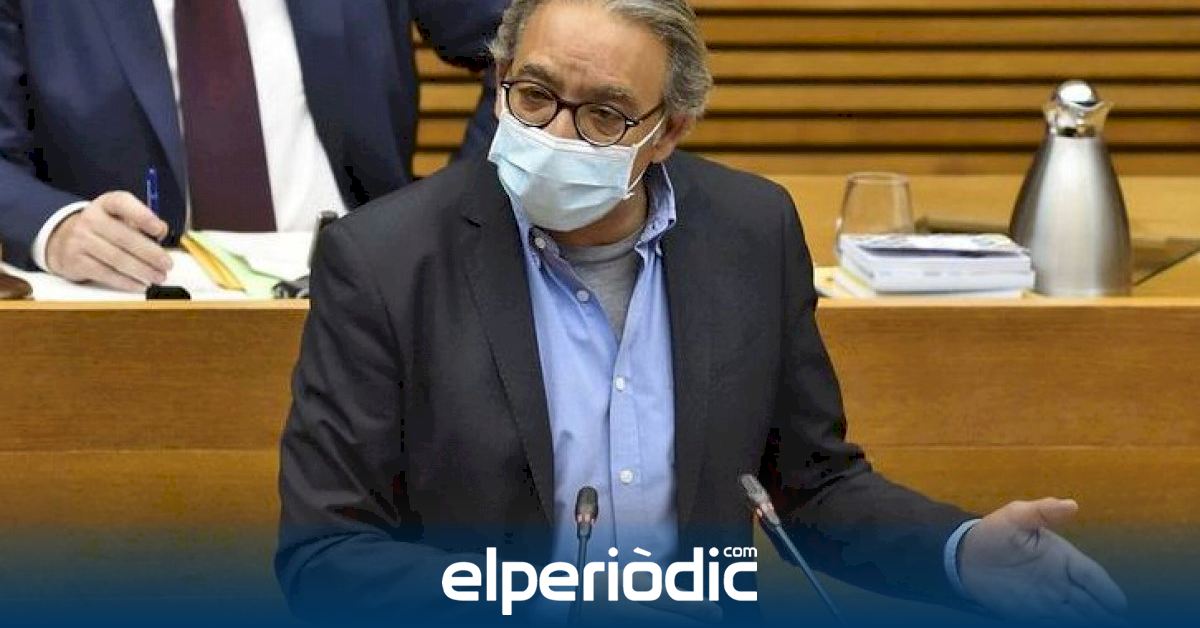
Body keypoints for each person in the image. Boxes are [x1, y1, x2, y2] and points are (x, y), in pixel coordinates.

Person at [276, 0, 1128, 624]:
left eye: (604, 115)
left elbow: (811, 484)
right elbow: (326, 557)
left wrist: (959, 552)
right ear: (500, 80)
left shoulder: (751, 233)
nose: (558, 134)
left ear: (670, 131)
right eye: (533, 95)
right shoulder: (385, 261)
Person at [0, 0, 506, 290]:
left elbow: (524, 41)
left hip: (365, 287)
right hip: (130, 301)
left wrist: (455, 206)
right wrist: (56, 226)